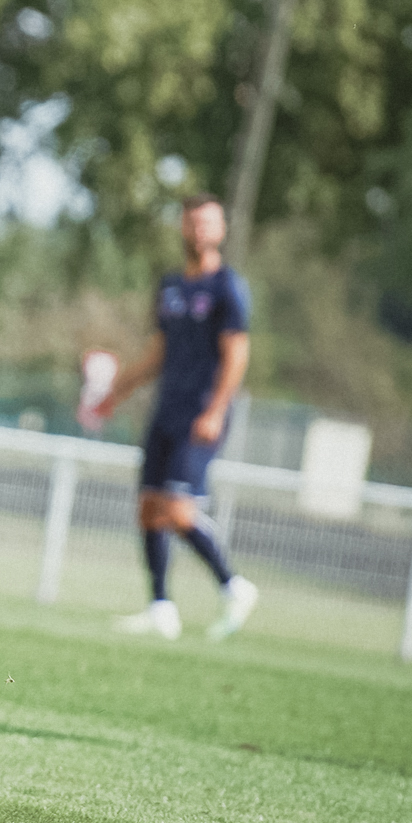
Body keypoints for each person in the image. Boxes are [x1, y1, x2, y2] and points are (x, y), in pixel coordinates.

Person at [92, 194, 258, 641]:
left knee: (178, 510)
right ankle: (161, 607)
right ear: (182, 228)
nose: (198, 231)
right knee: (148, 507)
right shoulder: (171, 287)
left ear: (220, 230)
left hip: (201, 413)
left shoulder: (228, 288)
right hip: (166, 410)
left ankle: (234, 585)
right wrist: (116, 393)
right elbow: (157, 354)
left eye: (207, 223)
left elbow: (236, 355)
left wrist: (216, 410)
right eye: (191, 223)